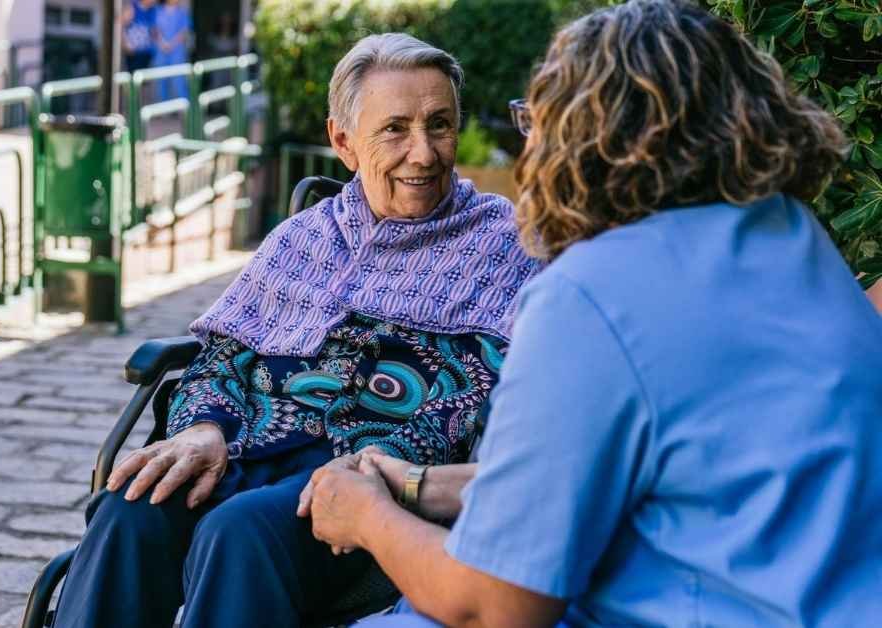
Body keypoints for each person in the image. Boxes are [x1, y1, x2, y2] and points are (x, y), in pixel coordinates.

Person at [303, 1, 882, 626]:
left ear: (586, 137)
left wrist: (366, 516)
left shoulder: (591, 294)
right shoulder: (790, 237)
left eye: (537, 122)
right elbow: (657, 471)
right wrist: (416, 484)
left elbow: (493, 606)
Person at [50, 33, 541, 628]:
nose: (424, 153)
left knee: (241, 530)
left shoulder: (503, 242)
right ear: (343, 142)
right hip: (248, 445)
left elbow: (480, 396)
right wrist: (202, 428)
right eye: (395, 129)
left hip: (373, 473)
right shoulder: (302, 237)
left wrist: (386, 466)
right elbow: (223, 354)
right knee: (132, 509)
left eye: (440, 125)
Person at [152, 0, 193, 101]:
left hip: (177, 51)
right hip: (160, 51)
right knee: (160, 81)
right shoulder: (157, 11)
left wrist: (172, 44)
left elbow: (185, 31)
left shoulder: (182, 13)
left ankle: (184, 110)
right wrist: (162, 43)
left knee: (179, 80)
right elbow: (154, 29)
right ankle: (162, 109)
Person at [121, 0, 158, 73]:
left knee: (144, 80)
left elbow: (154, 31)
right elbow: (120, 25)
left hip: (147, 53)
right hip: (133, 53)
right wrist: (125, 44)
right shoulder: (132, 6)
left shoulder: (153, 10)